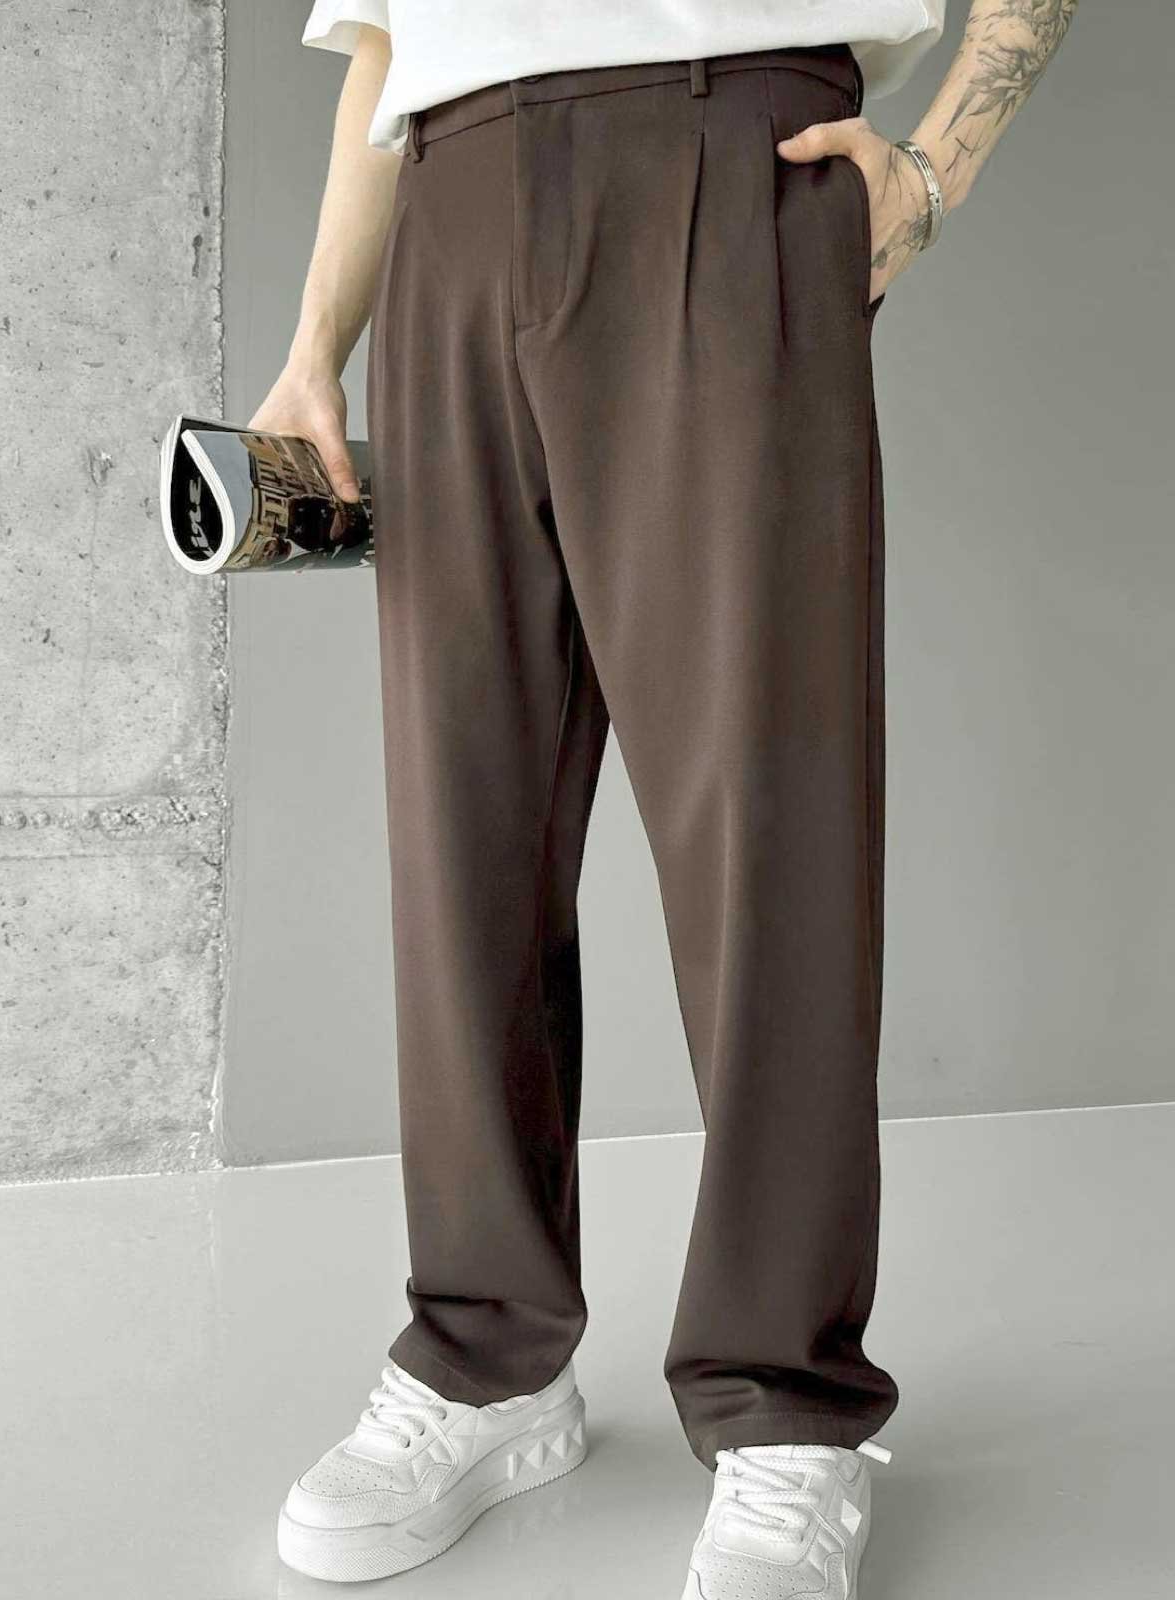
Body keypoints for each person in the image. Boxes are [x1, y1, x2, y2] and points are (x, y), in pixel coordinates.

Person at [256, 3, 1078, 1592]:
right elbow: (383, 43)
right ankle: (485, 1354)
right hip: (454, 194)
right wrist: (312, 353)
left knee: (769, 816)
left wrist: (931, 172)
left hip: (730, 149)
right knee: (461, 826)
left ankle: (786, 1401)